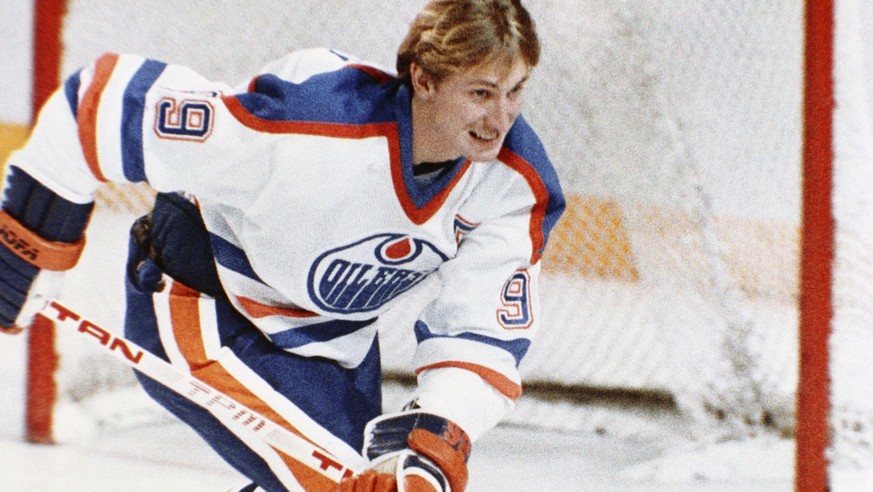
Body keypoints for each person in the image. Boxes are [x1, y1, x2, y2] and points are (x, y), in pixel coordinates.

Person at [0, 0, 564, 490]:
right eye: (482, 93)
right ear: (425, 79)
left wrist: (433, 442)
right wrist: (26, 241)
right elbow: (97, 105)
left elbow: (482, 332)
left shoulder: (513, 183)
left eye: (516, 90)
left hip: (330, 345)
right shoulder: (309, 123)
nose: (501, 117)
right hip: (201, 302)